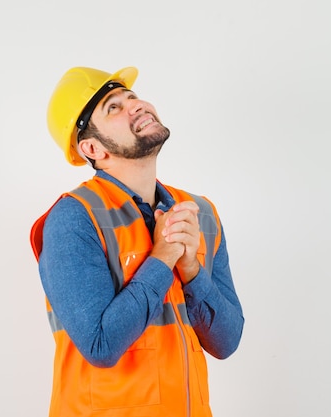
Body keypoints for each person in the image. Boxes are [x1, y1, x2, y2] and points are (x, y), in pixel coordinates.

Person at [29, 66, 244, 417]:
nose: (136, 105)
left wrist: (191, 269)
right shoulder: (75, 218)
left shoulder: (199, 213)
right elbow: (101, 345)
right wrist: (162, 259)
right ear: (92, 148)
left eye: (132, 97)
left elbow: (227, 341)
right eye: (113, 107)